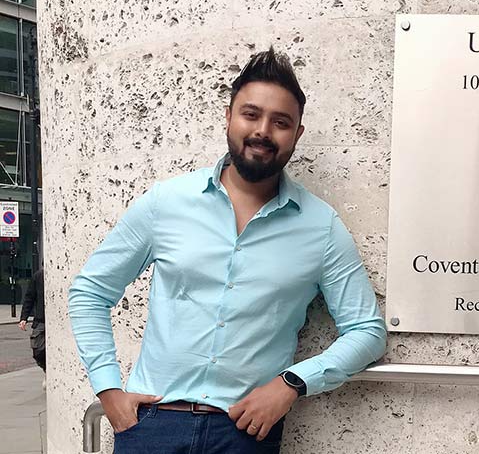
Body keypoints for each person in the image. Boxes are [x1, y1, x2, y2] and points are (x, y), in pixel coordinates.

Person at [68, 47, 387, 454]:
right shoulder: (168, 202)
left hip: (244, 435)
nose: (263, 132)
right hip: (152, 425)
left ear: (297, 134)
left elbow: (366, 331)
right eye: (251, 114)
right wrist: (109, 389)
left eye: (281, 122)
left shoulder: (320, 227)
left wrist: (292, 382)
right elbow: (90, 292)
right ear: (229, 117)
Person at [19, 267, 46, 374]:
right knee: (38, 350)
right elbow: (29, 297)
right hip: (41, 320)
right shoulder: (38, 276)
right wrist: (23, 318)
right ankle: (46, 370)